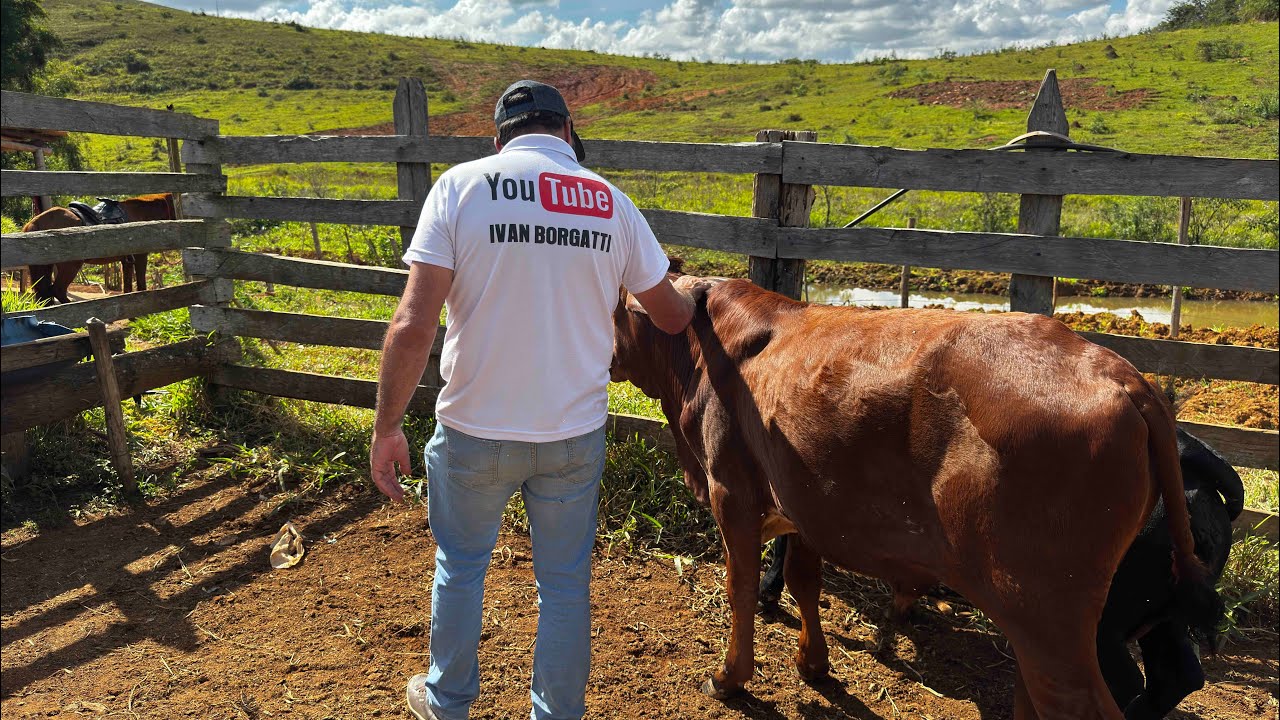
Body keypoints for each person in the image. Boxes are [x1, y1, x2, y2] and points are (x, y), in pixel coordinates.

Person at [370, 79, 695, 720]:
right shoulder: (611, 203)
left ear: (499, 140)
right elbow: (670, 315)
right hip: (572, 434)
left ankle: (447, 701)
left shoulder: (460, 188)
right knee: (565, 584)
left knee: (461, 566)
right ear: (568, 133)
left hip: (474, 428)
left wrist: (387, 428)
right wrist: (693, 297)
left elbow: (413, 323)